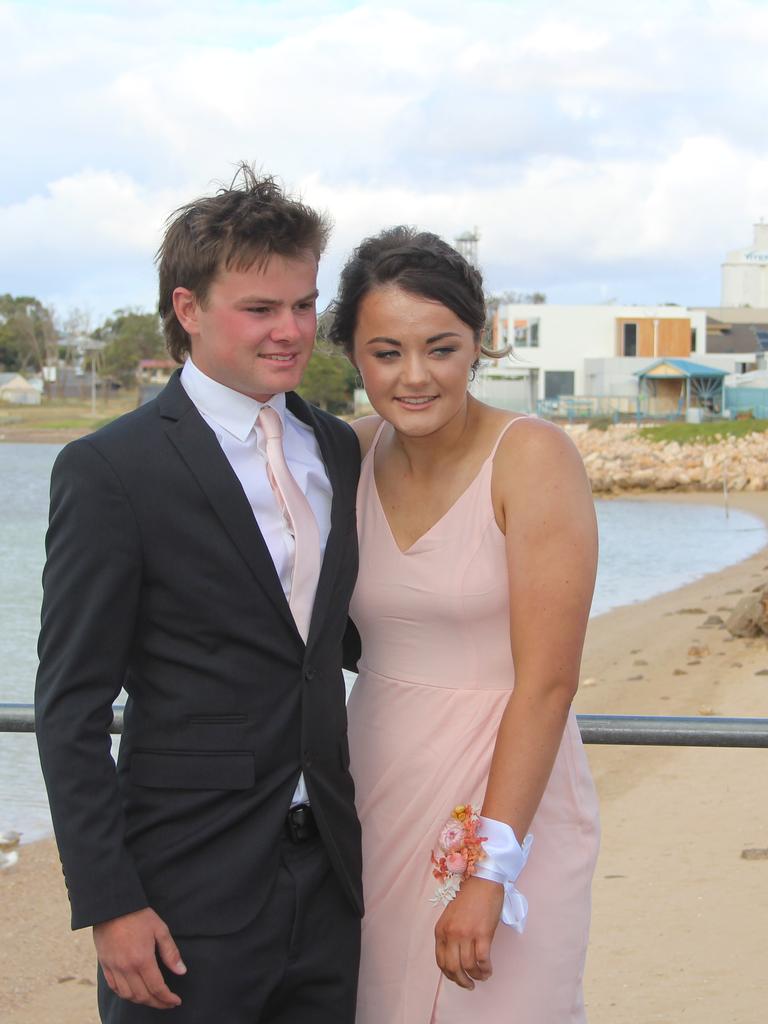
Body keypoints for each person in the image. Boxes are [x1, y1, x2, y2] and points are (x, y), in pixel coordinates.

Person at [35, 167, 363, 1023]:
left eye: (304, 304)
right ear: (188, 309)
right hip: (183, 895)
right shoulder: (112, 469)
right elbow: (70, 707)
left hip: (330, 883)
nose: (292, 331)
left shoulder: (337, 449)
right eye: (261, 309)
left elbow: (342, 641)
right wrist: (110, 903)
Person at [329, 227, 601, 1023]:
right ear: (353, 353)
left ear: (477, 344)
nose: (414, 377)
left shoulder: (533, 458)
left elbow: (548, 683)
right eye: (386, 353)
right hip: (373, 785)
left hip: (511, 789)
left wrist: (489, 873)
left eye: (440, 348)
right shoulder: (348, 454)